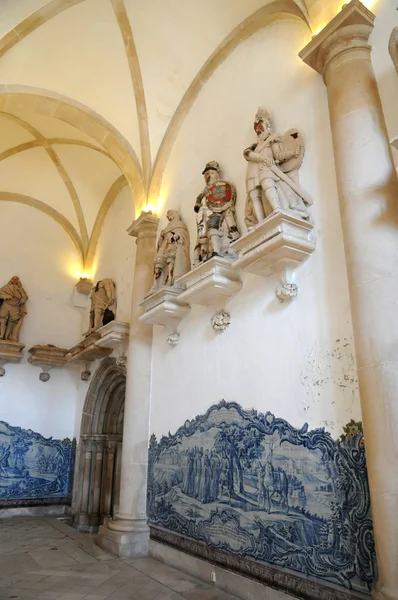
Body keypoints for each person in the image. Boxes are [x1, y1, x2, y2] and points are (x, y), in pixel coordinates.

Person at [244, 108, 312, 227]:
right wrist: (265, 147)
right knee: (254, 195)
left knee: (267, 183)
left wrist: (292, 153)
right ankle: (261, 222)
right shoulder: (255, 146)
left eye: (261, 127)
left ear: (267, 127)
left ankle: (277, 208)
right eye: (257, 129)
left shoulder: (273, 141)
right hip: (254, 172)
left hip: (267, 169)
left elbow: (279, 156)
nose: (259, 131)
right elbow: (247, 154)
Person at [193, 161, 240, 264]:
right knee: (204, 235)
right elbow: (198, 203)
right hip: (204, 217)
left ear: (215, 173)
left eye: (209, 173)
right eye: (205, 174)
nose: (207, 176)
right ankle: (206, 255)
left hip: (217, 212)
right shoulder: (204, 192)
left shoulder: (220, 186)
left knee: (213, 228)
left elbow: (225, 201)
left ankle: (217, 250)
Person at [148, 210, 190, 293]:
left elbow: (181, 236)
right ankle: (157, 284)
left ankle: (171, 279)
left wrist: (175, 236)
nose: (168, 217)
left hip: (173, 246)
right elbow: (161, 242)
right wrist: (162, 236)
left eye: (169, 215)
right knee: (158, 260)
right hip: (165, 246)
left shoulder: (179, 224)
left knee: (171, 258)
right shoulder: (167, 227)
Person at [0, 276, 28, 342]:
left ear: (18, 281)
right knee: (2, 320)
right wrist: (6, 296)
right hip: (6, 305)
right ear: (11, 280)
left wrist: (23, 300)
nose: (14, 280)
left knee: (12, 322)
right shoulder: (6, 287)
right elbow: (0, 294)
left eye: (16, 279)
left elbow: (25, 297)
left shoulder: (20, 289)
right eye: (13, 279)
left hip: (15, 307)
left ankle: (7, 337)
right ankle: (1, 336)